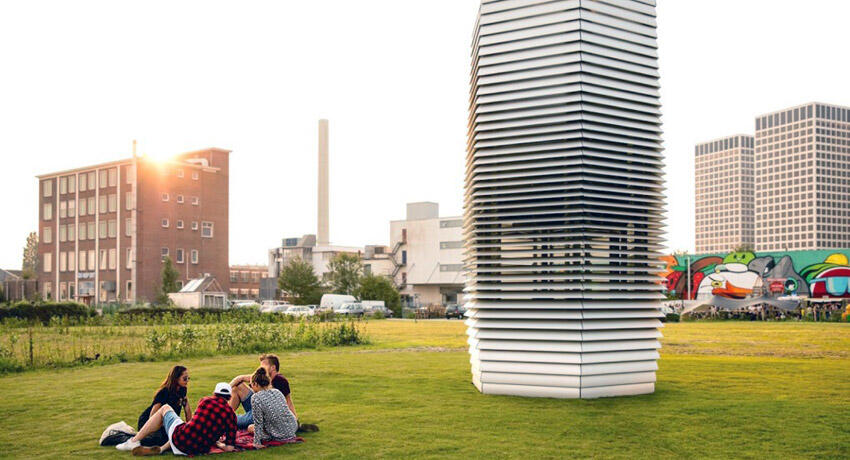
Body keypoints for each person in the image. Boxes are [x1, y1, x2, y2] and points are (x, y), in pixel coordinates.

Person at [117, 383, 237, 456]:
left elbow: (193, 423)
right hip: (198, 449)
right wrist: (219, 444)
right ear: (230, 397)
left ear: (214, 393)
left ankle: (133, 441)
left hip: (181, 438)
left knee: (165, 408)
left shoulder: (205, 401)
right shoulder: (232, 416)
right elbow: (230, 448)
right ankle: (162, 449)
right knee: (188, 430)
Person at [229, 354, 296, 430]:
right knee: (237, 387)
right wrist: (226, 389)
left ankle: (225, 418)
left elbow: (288, 401)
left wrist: (294, 420)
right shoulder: (261, 377)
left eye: (263, 366)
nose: (260, 368)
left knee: (230, 419)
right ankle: (226, 411)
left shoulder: (280, 381)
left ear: (273, 367)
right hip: (256, 405)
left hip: (263, 414)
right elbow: (240, 378)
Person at [136, 365, 193, 451]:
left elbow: (187, 410)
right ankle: (137, 440)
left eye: (188, 378)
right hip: (149, 422)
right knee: (164, 440)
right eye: (185, 379)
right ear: (176, 379)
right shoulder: (164, 392)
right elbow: (152, 416)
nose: (187, 381)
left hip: (165, 424)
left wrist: (191, 428)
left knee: (179, 438)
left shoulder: (182, 390)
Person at [246, 366, 298, 448]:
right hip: (292, 427)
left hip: (278, 434)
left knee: (250, 427)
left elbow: (258, 423)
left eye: (250, 385)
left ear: (255, 384)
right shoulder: (277, 391)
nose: (250, 387)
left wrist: (256, 443)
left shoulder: (256, 397)